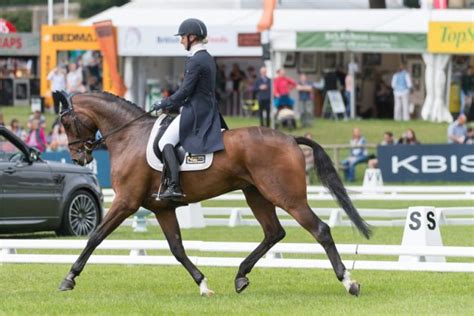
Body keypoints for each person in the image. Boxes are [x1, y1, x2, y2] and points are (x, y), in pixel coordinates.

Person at [152, 18, 227, 200]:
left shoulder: (196, 60)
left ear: (192, 37)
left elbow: (186, 91)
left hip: (195, 111)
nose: (180, 41)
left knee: (164, 143)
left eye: (182, 37)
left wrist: (164, 102)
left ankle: (174, 186)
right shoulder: (207, 57)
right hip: (207, 109)